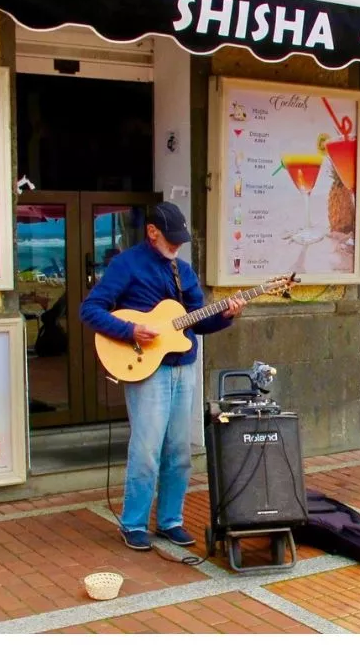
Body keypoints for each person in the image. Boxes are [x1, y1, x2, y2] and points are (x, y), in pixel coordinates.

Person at [80, 203, 244, 551]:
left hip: (183, 366)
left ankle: (170, 520)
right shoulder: (126, 264)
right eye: (171, 238)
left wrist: (227, 316)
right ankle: (133, 522)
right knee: (146, 450)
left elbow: (199, 321)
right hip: (147, 369)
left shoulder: (183, 271)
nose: (176, 245)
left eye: (180, 240)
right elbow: (90, 310)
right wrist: (130, 330)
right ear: (152, 231)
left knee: (178, 451)